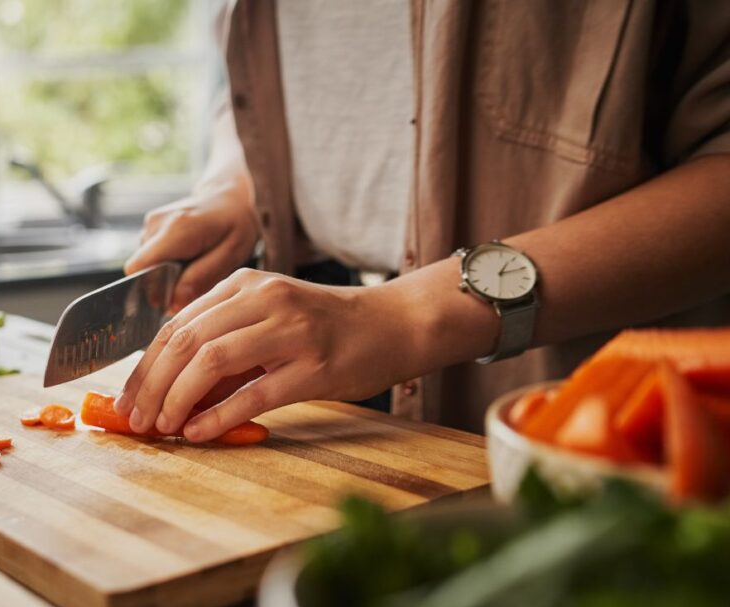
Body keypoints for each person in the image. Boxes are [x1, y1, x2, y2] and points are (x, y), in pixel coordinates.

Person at [114, 0, 730, 441]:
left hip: (575, 390)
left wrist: (407, 314)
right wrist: (235, 183)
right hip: (305, 348)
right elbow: (265, 78)